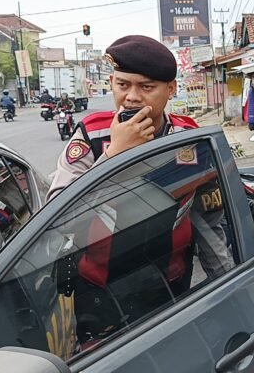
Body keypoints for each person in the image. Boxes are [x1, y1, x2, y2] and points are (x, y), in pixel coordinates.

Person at [47, 35, 234, 345]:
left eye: (146, 87)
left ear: (171, 89)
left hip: (170, 286)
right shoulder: (92, 136)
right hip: (99, 291)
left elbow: (209, 221)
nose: (131, 97)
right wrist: (113, 157)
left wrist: (228, 288)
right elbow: (59, 219)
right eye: (123, 85)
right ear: (111, 82)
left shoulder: (188, 139)